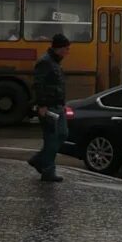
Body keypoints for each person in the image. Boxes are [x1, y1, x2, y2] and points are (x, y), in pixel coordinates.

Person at [27, 33, 71, 182]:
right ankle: (48, 171)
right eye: (66, 48)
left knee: (63, 134)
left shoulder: (55, 61)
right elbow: (38, 85)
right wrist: (42, 105)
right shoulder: (45, 62)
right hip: (49, 107)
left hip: (58, 105)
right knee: (51, 139)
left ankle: (39, 160)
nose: (68, 51)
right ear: (59, 48)